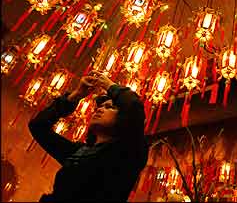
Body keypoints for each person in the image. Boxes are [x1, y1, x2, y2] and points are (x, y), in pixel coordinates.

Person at [28, 71, 149, 201]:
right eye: (100, 106)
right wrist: (75, 95)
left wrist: (108, 84)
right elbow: (38, 126)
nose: (100, 109)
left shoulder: (127, 154)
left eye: (110, 107)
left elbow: (134, 107)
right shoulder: (79, 152)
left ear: (124, 120)